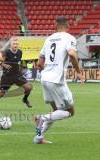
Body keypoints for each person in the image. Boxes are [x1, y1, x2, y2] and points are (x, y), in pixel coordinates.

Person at [34, 16, 84, 144]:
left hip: (45, 79)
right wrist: (78, 72)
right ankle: (42, 118)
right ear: (68, 26)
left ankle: (38, 138)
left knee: (56, 112)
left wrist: (50, 69)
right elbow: (72, 54)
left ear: (55, 26)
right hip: (57, 81)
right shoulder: (69, 38)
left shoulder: (48, 39)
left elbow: (39, 63)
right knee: (70, 111)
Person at [0, 37, 33, 109]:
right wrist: (3, 64)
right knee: (2, 93)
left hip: (17, 75)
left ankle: (25, 99)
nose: (15, 45)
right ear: (11, 44)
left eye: (16, 43)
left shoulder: (20, 52)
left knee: (29, 88)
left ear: (18, 44)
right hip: (7, 76)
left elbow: (17, 62)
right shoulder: (5, 52)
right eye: (14, 43)